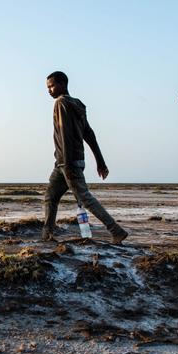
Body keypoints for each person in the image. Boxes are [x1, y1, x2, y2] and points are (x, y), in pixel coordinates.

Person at [42, 71, 128, 244]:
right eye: (47, 87)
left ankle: (116, 231)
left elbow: (65, 134)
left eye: (52, 86)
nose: (49, 90)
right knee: (50, 197)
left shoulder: (61, 102)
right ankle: (47, 235)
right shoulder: (78, 104)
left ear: (63, 84)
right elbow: (89, 134)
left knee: (85, 199)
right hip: (66, 162)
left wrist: (66, 164)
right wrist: (100, 161)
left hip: (67, 161)